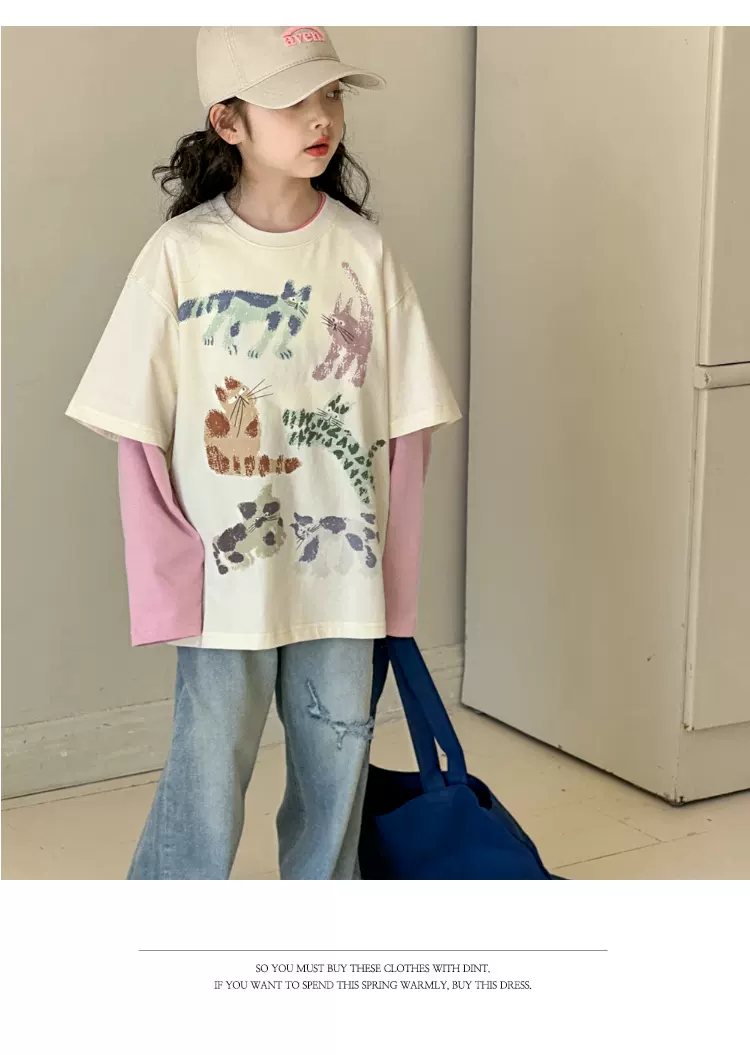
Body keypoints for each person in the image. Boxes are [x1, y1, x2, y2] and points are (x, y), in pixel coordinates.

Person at [65, 26, 461, 880]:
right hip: (225, 583)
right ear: (229, 121)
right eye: (293, 100)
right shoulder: (181, 256)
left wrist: (393, 586)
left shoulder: (363, 253)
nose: (322, 117)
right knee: (206, 777)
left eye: (332, 94)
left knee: (335, 779)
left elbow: (411, 426)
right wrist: (172, 574)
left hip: (342, 582)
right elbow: (134, 426)